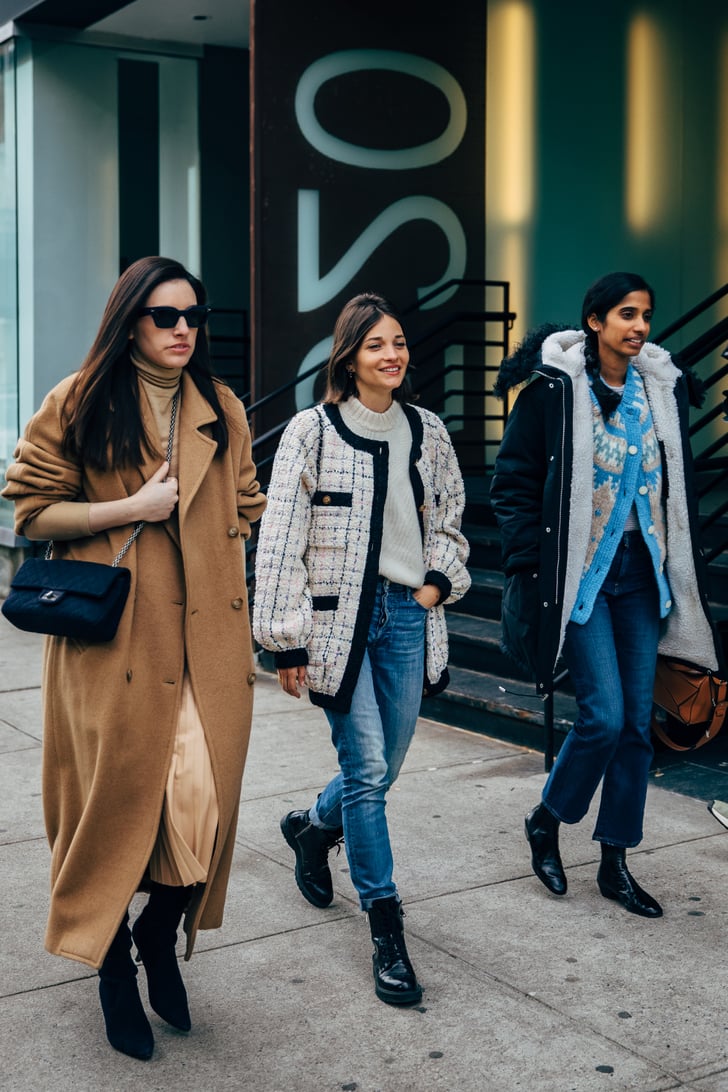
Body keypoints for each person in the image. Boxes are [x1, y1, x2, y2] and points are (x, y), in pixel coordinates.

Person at [2, 256, 265, 1060]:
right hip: (115, 644)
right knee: (115, 811)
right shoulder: (78, 401)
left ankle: (157, 933)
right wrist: (134, 510)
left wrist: (222, 543)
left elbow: (246, 501)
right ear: (130, 322)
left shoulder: (219, 407)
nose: (184, 329)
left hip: (207, 646)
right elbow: (32, 510)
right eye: (165, 316)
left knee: (203, 804)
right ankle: (113, 962)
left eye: (194, 315)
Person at [253, 291, 470, 1004]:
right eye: (377, 344)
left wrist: (435, 586)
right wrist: (286, 641)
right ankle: (386, 928)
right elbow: (281, 538)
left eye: (400, 342)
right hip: (336, 624)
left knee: (390, 762)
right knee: (369, 771)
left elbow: (450, 519)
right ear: (349, 356)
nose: (394, 354)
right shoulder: (310, 431)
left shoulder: (429, 431)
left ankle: (314, 828)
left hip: (408, 614)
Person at [490, 271, 723, 917]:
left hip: (643, 577)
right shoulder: (553, 392)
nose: (639, 325)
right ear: (595, 321)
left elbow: (676, 487)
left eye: (646, 314)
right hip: (581, 581)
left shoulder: (661, 390)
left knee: (637, 731)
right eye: (626, 313)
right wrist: (530, 566)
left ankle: (616, 859)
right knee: (605, 718)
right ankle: (549, 818)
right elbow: (512, 481)